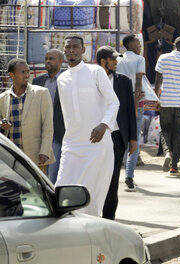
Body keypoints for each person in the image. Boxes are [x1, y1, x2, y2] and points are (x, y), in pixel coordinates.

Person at [55, 36, 120, 217]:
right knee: (62, 188)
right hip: (72, 145)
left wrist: (104, 125)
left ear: (83, 50)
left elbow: (114, 102)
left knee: (89, 195)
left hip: (96, 145)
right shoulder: (62, 79)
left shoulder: (95, 72)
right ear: (64, 50)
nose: (71, 50)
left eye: (75, 47)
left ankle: (88, 235)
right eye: (68, 47)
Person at [98, 46, 137, 219]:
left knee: (113, 181)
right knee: (96, 178)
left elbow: (130, 111)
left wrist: (133, 139)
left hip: (117, 137)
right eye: (113, 59)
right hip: (95, 137)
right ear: (103, 61)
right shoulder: (91, 80)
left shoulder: (123, 81)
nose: (116, 62)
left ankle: (108, 219)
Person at [0, 59, 54, 173]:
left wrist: (45, 151)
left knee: (37, 190)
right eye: (22, 72)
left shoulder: (41, 93)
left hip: (36, 157)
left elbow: (48, 125)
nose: (27, 75)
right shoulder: (3, 98)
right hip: (11, 157)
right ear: (11, 75)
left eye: (27, 72)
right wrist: (2, 124)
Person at [154, 36, 180, 176]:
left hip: (165, 101)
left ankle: (167, 153)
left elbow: (157, 80)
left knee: (165, 130)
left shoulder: (163, 58)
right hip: (179, 103)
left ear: (174, 46)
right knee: (179, 133)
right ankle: (174, 167)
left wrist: (156, 98)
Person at [116, 34, 146, 191]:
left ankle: (115, 173)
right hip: (134, 102)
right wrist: (135, 107)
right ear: (131, 44)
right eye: (138, 43)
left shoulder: (118, 59)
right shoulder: (140, 60)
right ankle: (129, 175)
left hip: (117, 104)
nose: (140, 46)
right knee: (134, 139)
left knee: (118, 137)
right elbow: (138, 83)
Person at [32, 49, 65, 184]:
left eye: (51, 59)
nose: (47, 61)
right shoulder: (37, 81)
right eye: (46, 58)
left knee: (53, 173)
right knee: (36, 170)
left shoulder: (66, 80)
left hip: (57, 133)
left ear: (61, 61)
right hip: (39, 133)